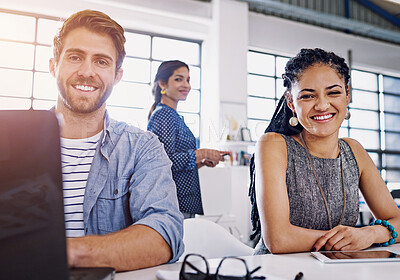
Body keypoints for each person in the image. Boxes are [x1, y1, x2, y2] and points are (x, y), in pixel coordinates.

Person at [49, 10, 184, 271]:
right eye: (75, 57)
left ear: (117, 75)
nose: (87, 72)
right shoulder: (9, 141)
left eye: (101, 61)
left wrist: (62, 253)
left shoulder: (142, 148)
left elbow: (165, 232)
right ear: (54, 65)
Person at [249, 48, 400, 254]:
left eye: (333, 92)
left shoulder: (354, 151)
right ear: (291, 102)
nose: (322, 105)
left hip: (336, 268)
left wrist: (370, 234)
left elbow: (397, 220)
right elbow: (278, 239)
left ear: (347, 95)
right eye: (308, 96)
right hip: (280, 271)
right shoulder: (274, 144)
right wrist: (351, 239)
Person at [147, 60, 227, 218]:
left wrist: (200, 162)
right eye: (178, 79)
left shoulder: (172, 115)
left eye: (188, 80)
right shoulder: (164, 115)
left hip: (182, 201)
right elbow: (164, 161)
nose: (186, 85)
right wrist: (202, 153)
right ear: (163, 84)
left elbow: (176, 163)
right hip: (174, 202)